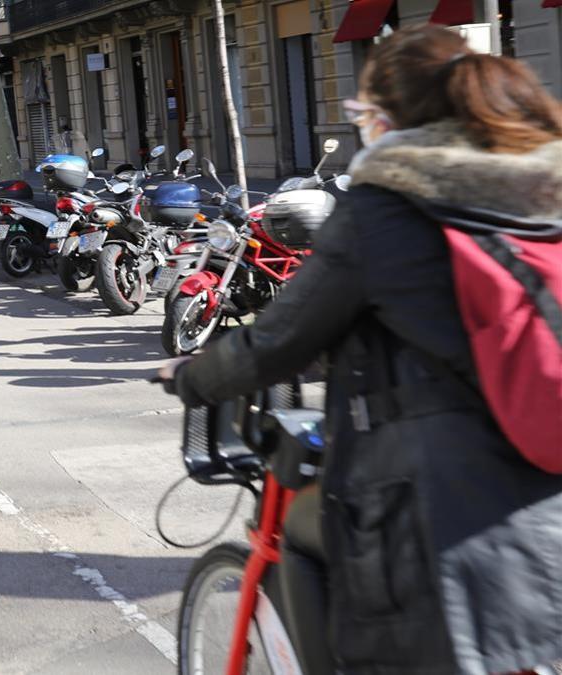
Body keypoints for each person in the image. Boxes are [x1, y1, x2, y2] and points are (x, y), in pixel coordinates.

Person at [158, 24, 562, 675]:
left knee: (314, 538)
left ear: (389, 117)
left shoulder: (385, 210)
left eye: (362, 110)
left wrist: (193, 376)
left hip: (437, 519)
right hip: (544, 492)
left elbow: (279, 341)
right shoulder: (539, 193)